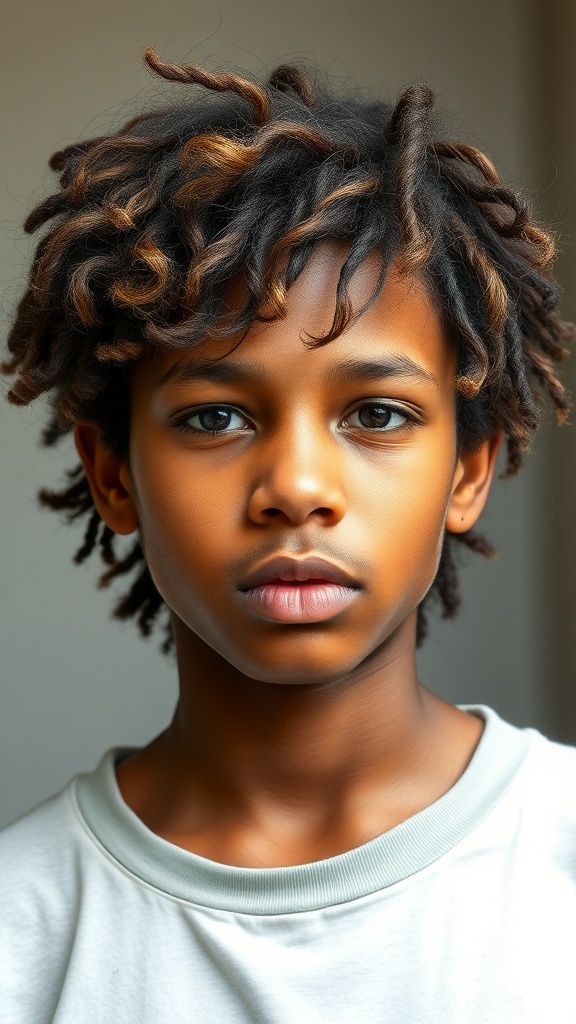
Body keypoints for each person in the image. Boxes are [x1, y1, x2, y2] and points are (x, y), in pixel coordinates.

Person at [1, 48, 575, 1023]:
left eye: (377, 415)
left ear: (467, 471)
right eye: (216, 418)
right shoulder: (22, 932)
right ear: (113, 474)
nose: (298, 489)